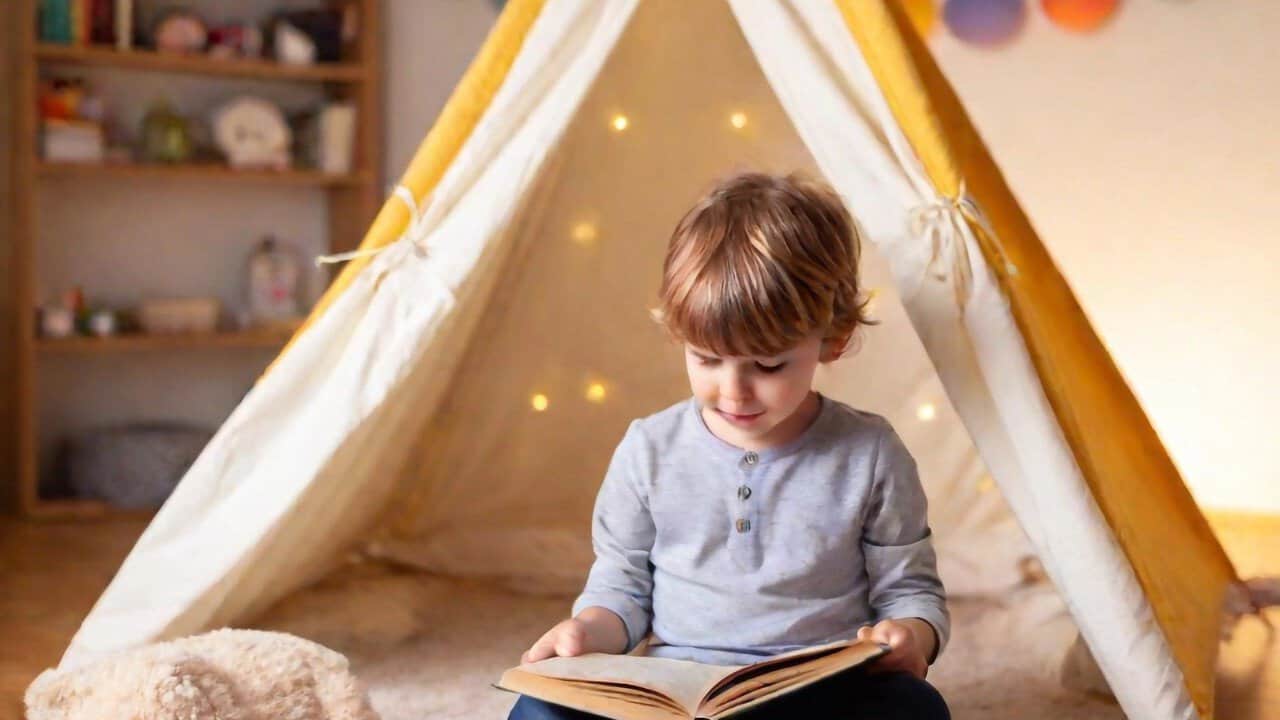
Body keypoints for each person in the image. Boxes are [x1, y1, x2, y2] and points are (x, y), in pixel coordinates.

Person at [509, 172, 950, 720]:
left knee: (914, 709)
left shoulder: (870, 452)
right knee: (539, 708)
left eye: (767, 365)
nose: (733, 390)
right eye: (707, 359)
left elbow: (911, 590)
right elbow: (622, 586)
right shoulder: (648, 449)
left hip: (819, 688)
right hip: (680, 691)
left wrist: (912, 637)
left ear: (831, 339)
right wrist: (585, 633)